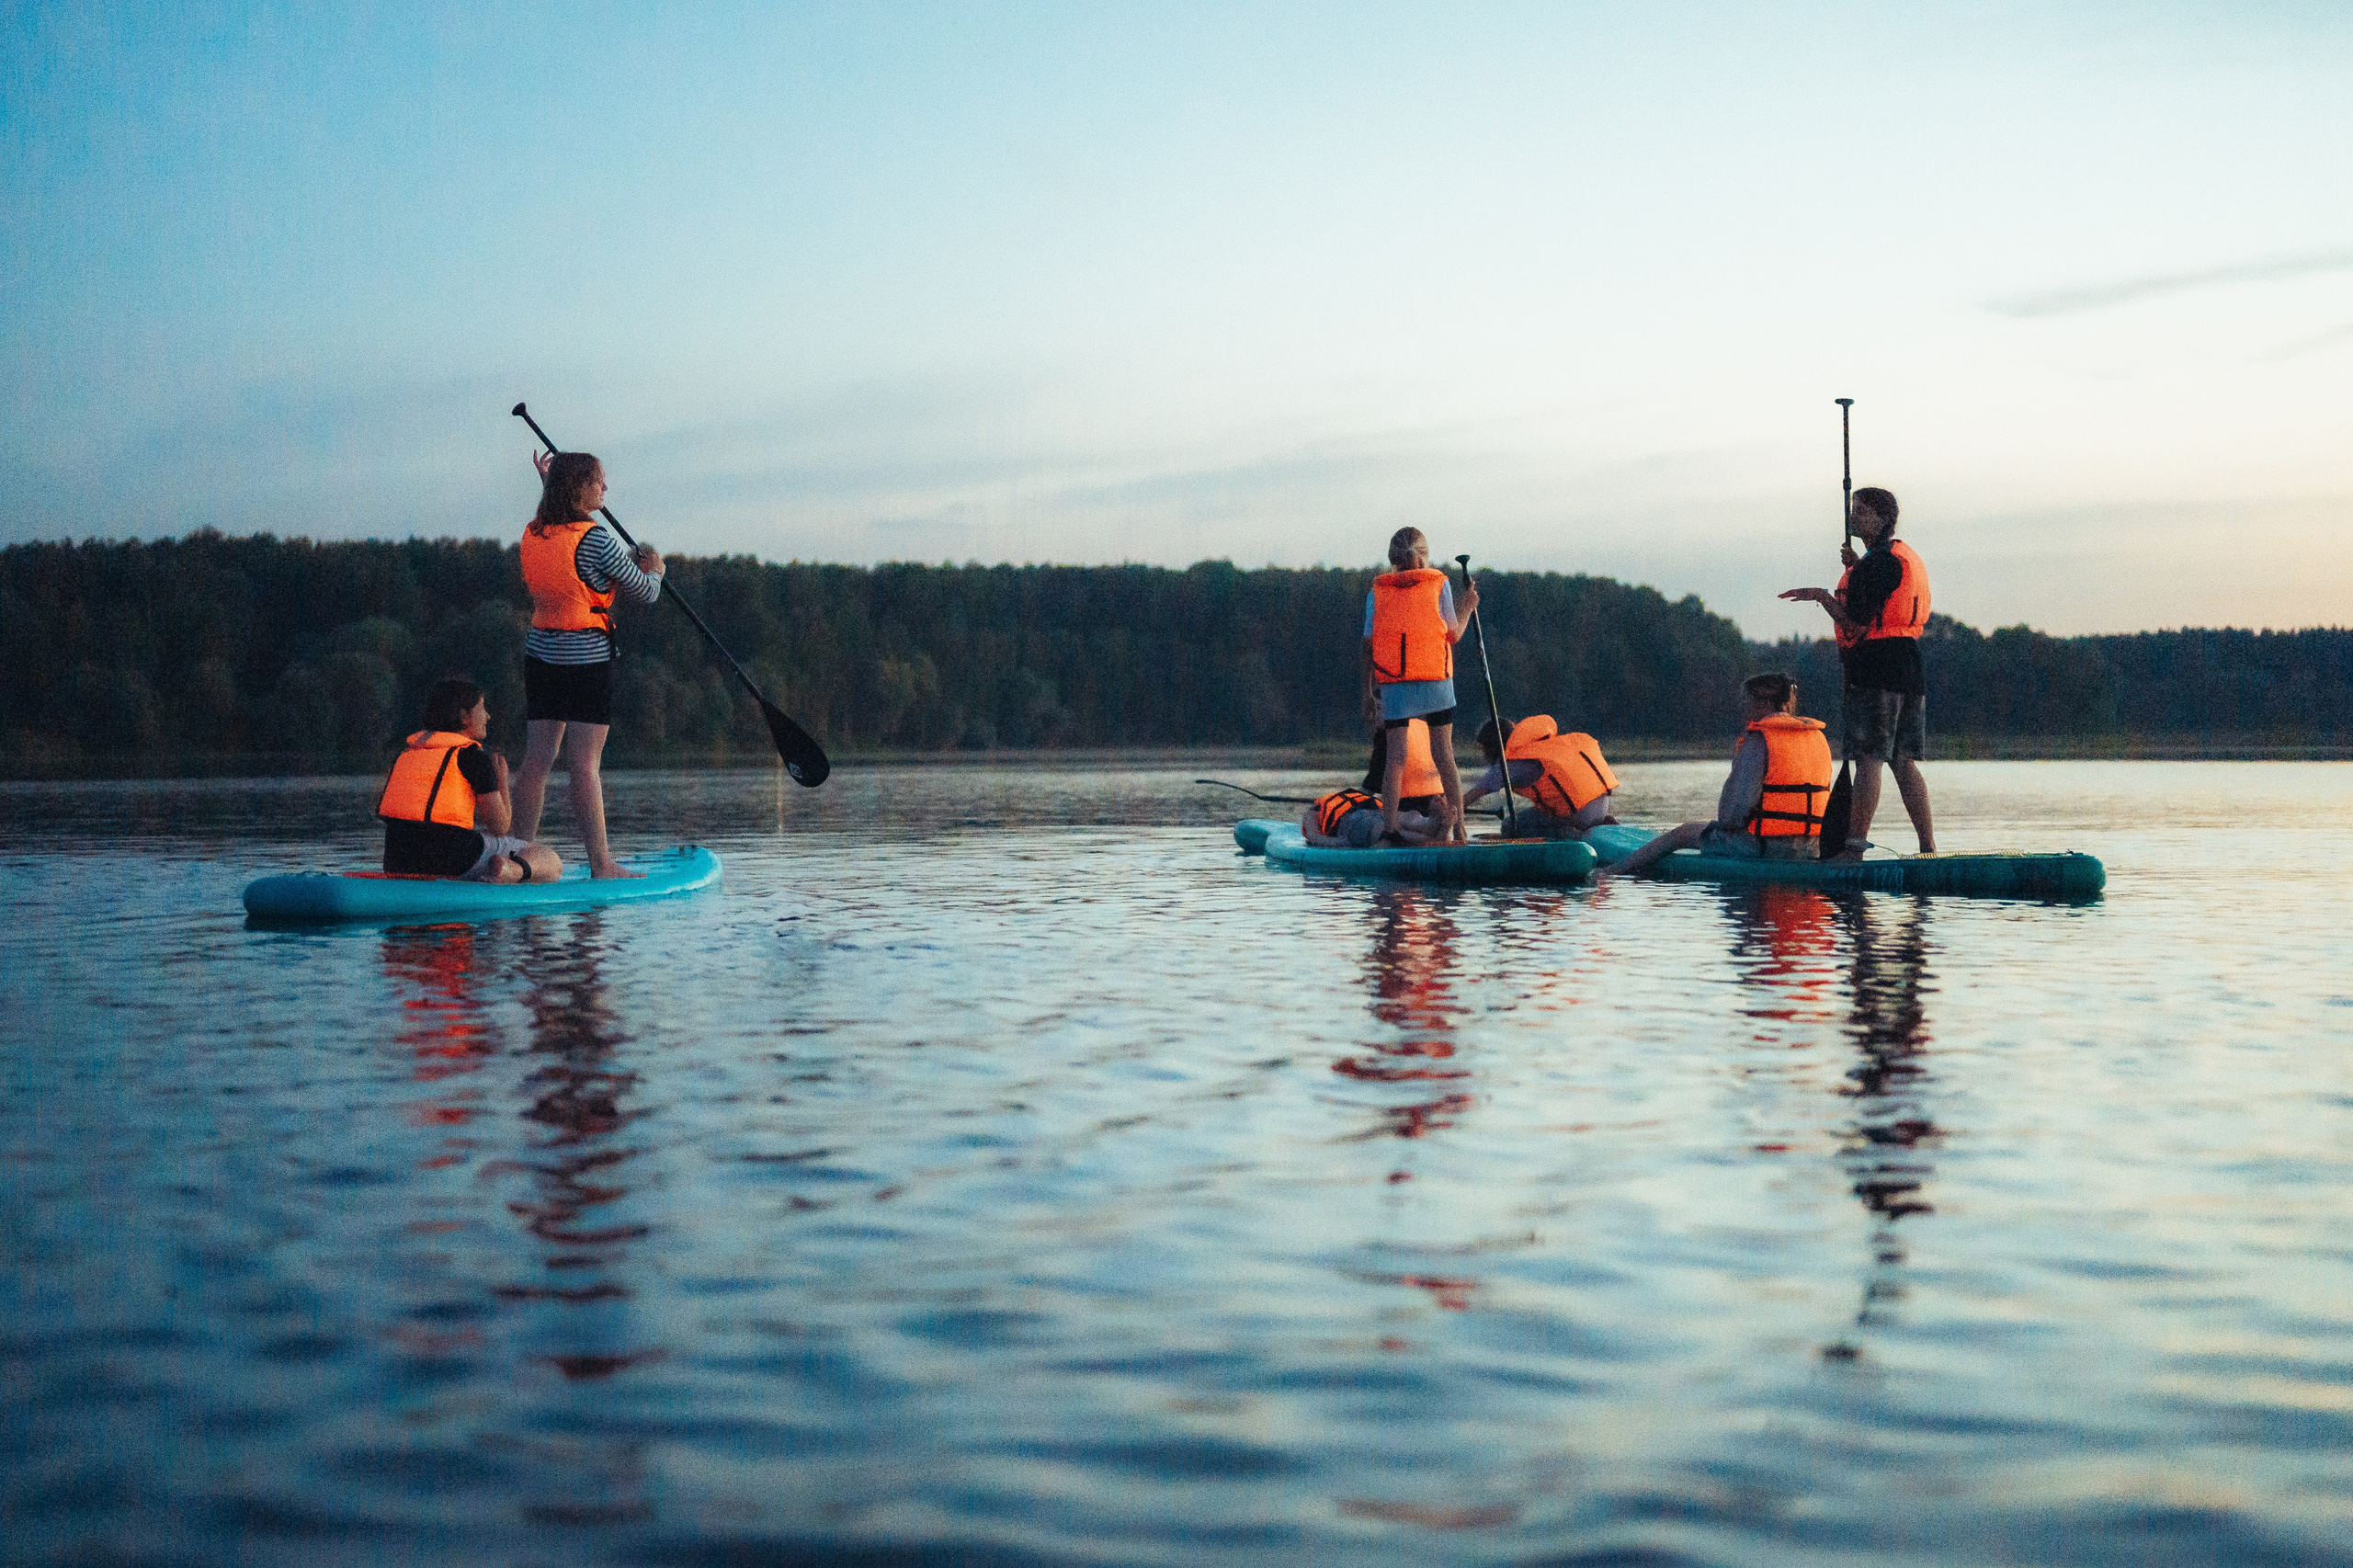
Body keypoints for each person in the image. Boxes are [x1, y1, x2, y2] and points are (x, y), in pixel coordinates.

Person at [511, 450, 665, 879]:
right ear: (580, 488)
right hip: (586, 660)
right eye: (599, 481)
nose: (605, 488)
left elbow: (556, 533)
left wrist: (548, 485)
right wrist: (656, 569)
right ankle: (602, 864)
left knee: (537, 760)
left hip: (541, 656)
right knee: (584, 765)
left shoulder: (534, 532)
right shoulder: (597, 539)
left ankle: (515, 855)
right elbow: (646, 592)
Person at [1779, 485, 1936, 857]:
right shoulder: (1890, 558)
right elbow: (1877, 599)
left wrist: (1821, 596)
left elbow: (1855, 624)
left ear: (1881, 518)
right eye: (1853, 508)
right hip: (1908, 666)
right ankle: (1928, 846)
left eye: (1860, 510)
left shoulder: (1880, 563)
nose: (1853, 516)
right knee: (1902, 762)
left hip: (1877, 668)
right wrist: (1856, 567)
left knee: (1869, 758)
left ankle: (1853, 850)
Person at [1593, 672, 1834, 881]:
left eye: (1746, 701)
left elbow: (1731, 817)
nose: (1743, 708)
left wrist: (1723, 827)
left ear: (1763, 703)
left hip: (1761, 849)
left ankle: (1616, 871)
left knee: (1683, 833)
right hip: (1811, 847)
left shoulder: (1760, 739)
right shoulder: (1817, 737)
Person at [378, 677, 563, 882]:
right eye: (482, 708)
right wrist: (502, 781)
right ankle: (510, 871)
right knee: (550, 859)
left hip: (397, 863)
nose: (488, 716)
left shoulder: (405, 754)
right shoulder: (472, 757)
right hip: (452, 863)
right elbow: (500, 827)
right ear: (464, 716)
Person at [1361, 528, 1476, 844]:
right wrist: (1467, 606)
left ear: (1392, 557)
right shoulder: (1439, 583)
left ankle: (1389, 830)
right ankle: (1461, 828)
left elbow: (1368, 646)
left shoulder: (1377, 591)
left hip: (1396, 682)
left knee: (1395, 760)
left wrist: (1368, 692)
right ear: (1425, 554)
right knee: (1444, 755)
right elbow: (1453, 634)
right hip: (1436, 679)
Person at [1463, 715, 1619, 838]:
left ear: (1493, 748)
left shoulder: (1508, 765)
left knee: (1509, 825)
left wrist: (1450, 811)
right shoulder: (1539, 748)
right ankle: (1597, 823)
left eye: (1484, 748)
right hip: (1601, 807)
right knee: (1529, 815)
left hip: (1579, 814)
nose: (1483, 754)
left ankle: (1569, 835)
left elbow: (1470, 797)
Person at [1360, 716, 1447, 820]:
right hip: (1437, 800)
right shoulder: (1423, 726)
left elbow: (1371, 784)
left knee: (1365, 814)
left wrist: (1351, 802)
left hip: (1406, 804)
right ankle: (1437, 822)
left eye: (1379, 709)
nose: (1374, 715)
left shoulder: (1388, 734)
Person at [1300, 788, 1446, 848]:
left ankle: (1430, 831)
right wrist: (1340, 842)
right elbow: (1315, 838)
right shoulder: (1314, 812)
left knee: (1390, 827)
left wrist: (1341, 842)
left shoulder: (1315, 810)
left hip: (1360, 818)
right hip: (1369, 814)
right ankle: (1430, 826)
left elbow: (1314, 837)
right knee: (1401, 820)